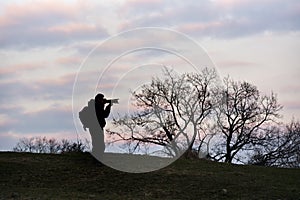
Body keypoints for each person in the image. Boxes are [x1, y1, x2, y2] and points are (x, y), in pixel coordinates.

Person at [79, 93, 113, 160]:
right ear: (98, 100)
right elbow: (104, 115)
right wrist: (107, 106)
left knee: (97, 142)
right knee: (98, 142)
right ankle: (97, 157)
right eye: (101, 99)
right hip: (95, 127)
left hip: (96, 127)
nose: (102, 100)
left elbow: (104, 115)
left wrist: (107, 106)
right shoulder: (96, 107)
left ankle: (97, 157)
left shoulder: (95, 106)